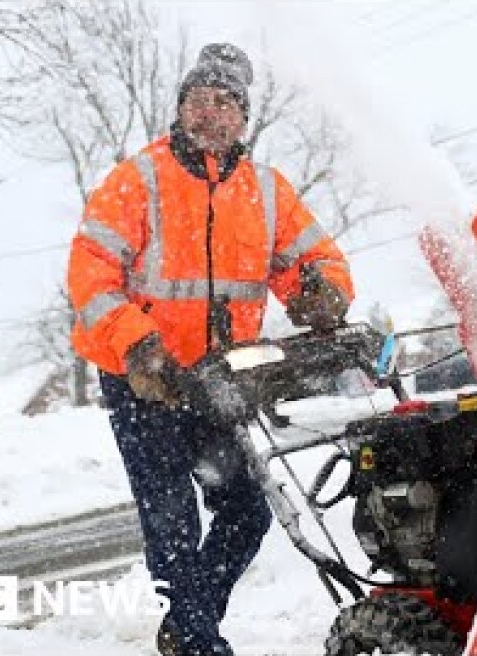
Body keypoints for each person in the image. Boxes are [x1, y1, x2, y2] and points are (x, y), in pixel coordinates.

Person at [66, 43, 354, 656]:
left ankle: (186, 624)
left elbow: (317, 260)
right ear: (180, 108)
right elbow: (90, 277)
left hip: (220, 383)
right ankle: (200, 642)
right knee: (171, 522)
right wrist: (138, 347)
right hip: (145, 382)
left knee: (247, 513)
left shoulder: (266, 194)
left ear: (243, 120)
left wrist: (320, 293)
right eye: (199, 99)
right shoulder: (138, 182)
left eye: (225, 103)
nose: (209, 113)